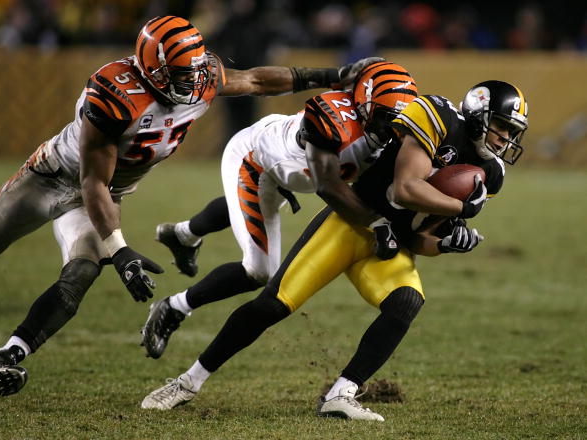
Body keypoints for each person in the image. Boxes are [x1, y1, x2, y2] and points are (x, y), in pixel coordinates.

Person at [0, 15, 371, 397]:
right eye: (180, 73)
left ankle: (8, 356)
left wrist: (331, 76)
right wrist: (120, 251)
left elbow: (255, 80)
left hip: (105, 194)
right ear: (152, 69)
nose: (193, 80)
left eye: (194, 69)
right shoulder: (115, 93)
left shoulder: (201, 77)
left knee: (80, 273)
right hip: (52, 177)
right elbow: (92, 181)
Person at [139, 80, 529, 420]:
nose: (504, 139)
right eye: (501, 126)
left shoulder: (491, 174)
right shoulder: (438, 116)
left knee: (406, 302)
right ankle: (187, 382)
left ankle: (341, 393)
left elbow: (418, 238)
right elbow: (405, 189)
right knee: (272, 305)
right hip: (352, 222)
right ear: (478, 114)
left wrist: (446, 243)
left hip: (390, 243)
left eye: (512, 132)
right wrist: (460, 208)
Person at [140, 60, 419, 359]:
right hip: (255, 162)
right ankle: (174, 306)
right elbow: (328, 186)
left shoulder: (388, 130)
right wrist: (377, 222)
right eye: (385, 117)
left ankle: (182, 234)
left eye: (399, 121)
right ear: (363, 103)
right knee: (259, 270)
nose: (392, 129)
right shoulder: (336, 119)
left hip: (288, 166)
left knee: (255, 208)